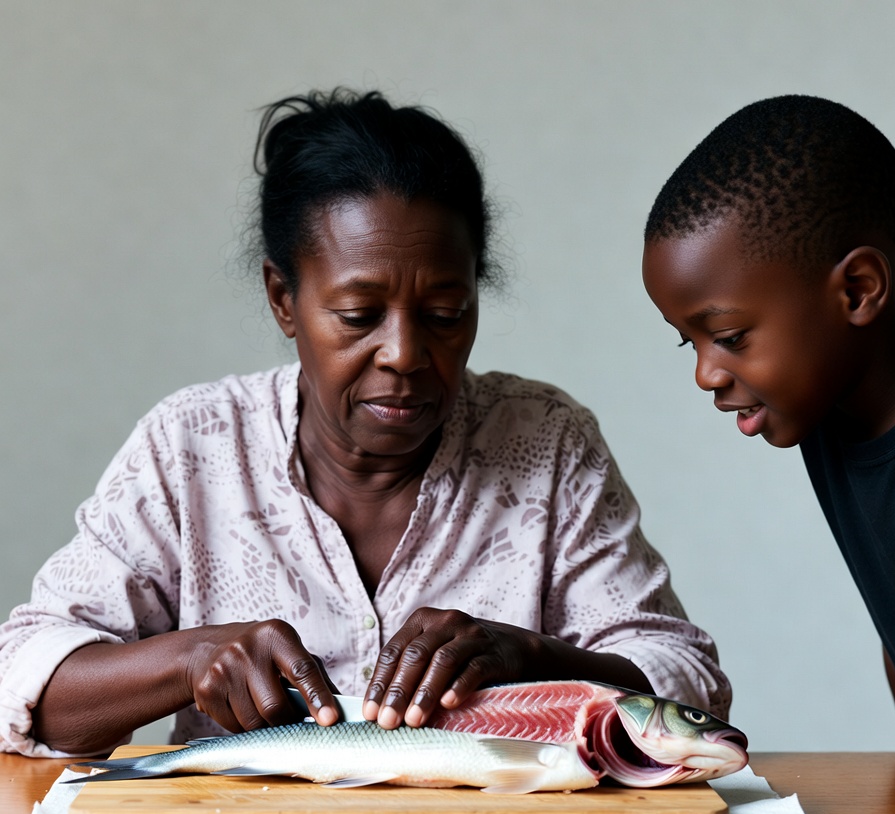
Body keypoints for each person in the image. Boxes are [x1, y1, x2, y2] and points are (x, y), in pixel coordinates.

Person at [0, 89, 730, 758]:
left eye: (446, 315)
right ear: (283, 299)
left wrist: (536, 657)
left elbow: (686, 681)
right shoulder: (193, 446)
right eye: (358, 317)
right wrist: (189, 659)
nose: (406, 354)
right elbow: (24, 684)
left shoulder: (545, 441)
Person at [642, 94, 895, 756]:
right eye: (689, 343)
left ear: (857, 290)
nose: (706, 373)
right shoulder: (828, 417)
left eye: (728, 335)